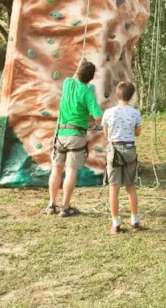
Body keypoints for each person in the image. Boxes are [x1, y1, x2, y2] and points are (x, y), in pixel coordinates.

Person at [45, 58, 103, 218]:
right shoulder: (88, 93)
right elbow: (98, 115)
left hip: (60, 134)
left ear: (77, 72)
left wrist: (80, 65)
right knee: (70, 171)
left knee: (56, 169)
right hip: (76, 135)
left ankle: (51, 205)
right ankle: (65, 207)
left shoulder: (68, 83)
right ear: (91, 78)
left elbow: (76, 75)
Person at [101, 81, 143, 234]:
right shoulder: (135, 113)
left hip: (114, 149)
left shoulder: (108, 112)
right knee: (130, 186)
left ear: (117, 94)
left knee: (114, 188)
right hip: (130, 149)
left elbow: (106, 133)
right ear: (131, 97)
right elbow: (137, 132)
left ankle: (116, 223)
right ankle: (134, 220)